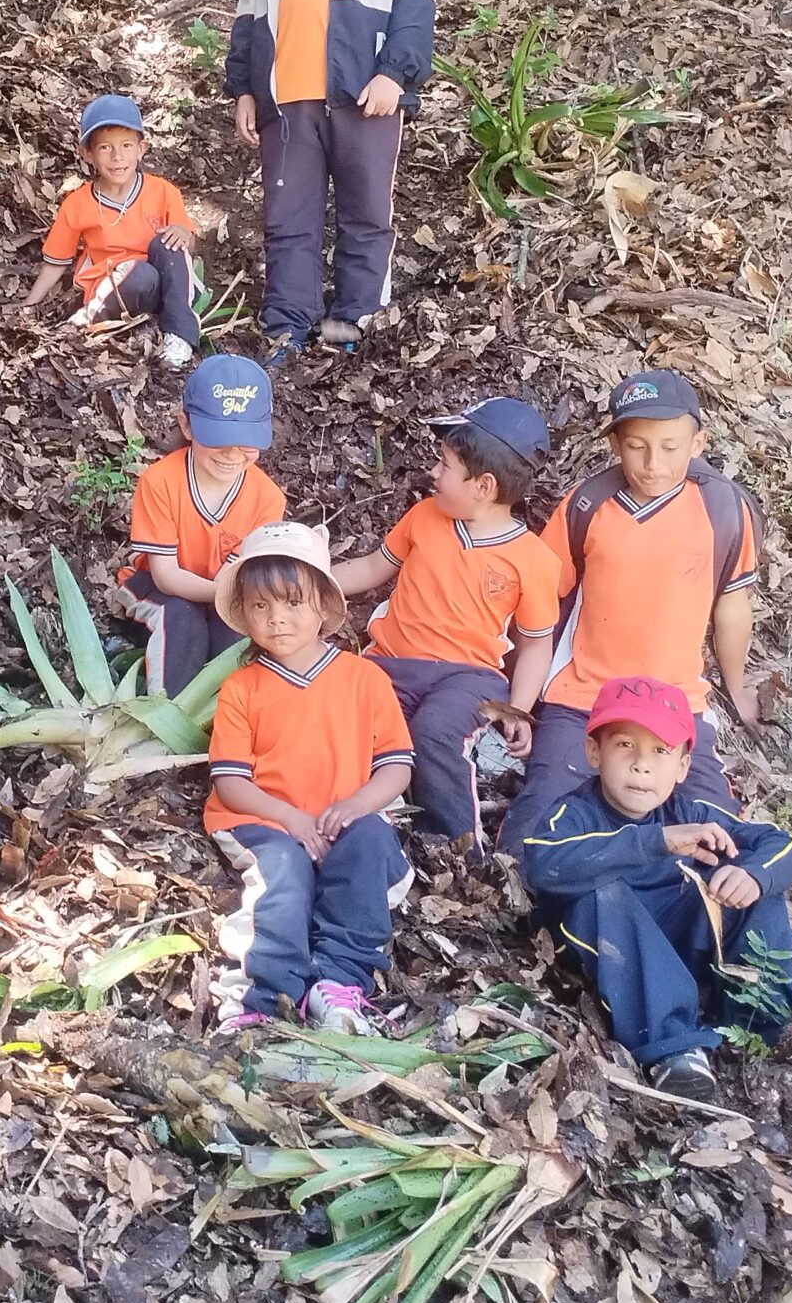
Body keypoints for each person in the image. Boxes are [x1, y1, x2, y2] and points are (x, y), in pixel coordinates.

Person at [499, 369, 767, 850]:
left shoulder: (723, 509)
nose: (653, 463)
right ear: (615, 444)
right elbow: (538, 601)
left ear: (698, 442)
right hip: (584, 697)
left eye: (670, 446)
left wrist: (737, 689)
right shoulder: (588, 504)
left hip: (676, 702)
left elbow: (732, 608)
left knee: (719, 837)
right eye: (637, 446)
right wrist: (519, 693)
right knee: (535, 834)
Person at [510, 677, 792, 1102]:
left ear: (683, 766)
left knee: (754, 885)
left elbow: (784, 846)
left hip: (677, 943)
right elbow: (542, 865)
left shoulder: (691, 811)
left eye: (660, 751)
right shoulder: (572, 814)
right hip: (611, 952)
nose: (641, 765)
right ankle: (675, 1048)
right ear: (594, 752)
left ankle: (756, 1025)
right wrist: (658, 841)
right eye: (624, 745)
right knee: (601, 892)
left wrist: (755, 876)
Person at [224, 0, 435, 365]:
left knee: (364, 213)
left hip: (364, 91)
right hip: (286, 92)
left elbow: (416, 1)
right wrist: (244, 86)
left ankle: (349, 323)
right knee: (288, 217)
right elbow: (250, 10)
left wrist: (395, 72)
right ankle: (287, 328)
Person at [203, 522, 416, 1036]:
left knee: (370, 845)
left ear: (324, 605)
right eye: (260, 606)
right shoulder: (242, 687)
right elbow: (231, 783)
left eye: (293, 602)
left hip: (343, 816)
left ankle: (338, 983)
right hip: (264, 819)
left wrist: (357, 805)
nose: (276, 618)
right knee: (285, 872)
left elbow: (396, 766)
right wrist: (293, 820)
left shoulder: (364, 678)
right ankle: (260, 998)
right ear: (245, 614)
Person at [333, 398, 562, 851]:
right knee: (351, 723)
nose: (433, 473)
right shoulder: (424, 517)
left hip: (469, 678)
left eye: (445, 465)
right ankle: (364, 828)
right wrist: (308, 579)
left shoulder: (533, 560)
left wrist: (517, 709)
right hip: (390, 664)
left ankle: (457, 847)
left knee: (434, 733)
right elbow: (372, 568)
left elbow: (536, 644)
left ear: (484, 485)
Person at [122, 356, 286, 694]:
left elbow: (240, 573)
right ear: (186, 426)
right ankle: (164, 713)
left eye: (246, 442)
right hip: (157, 588)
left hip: (226, 593)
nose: (232, 454)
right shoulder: (160, 482)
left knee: (235, 636)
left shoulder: (267, 497)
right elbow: (166, 576)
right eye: (218, 439)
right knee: (184, 623)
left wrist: (235, 602)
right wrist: (230, 597)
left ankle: (227, 718)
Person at [20, 95, 204, 368]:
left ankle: (179, 337)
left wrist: (184, 234)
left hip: (165, 287)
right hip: (116, 288)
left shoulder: (163, 192)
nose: (117, 157)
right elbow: (55, 262)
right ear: (88, 154)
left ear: (141, 148)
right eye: (105, 147)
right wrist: (28, 307)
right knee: (138, 273)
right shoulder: (77, 203)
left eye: (126, 145)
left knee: (167, 244)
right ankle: (87, 320)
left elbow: (185, 247)